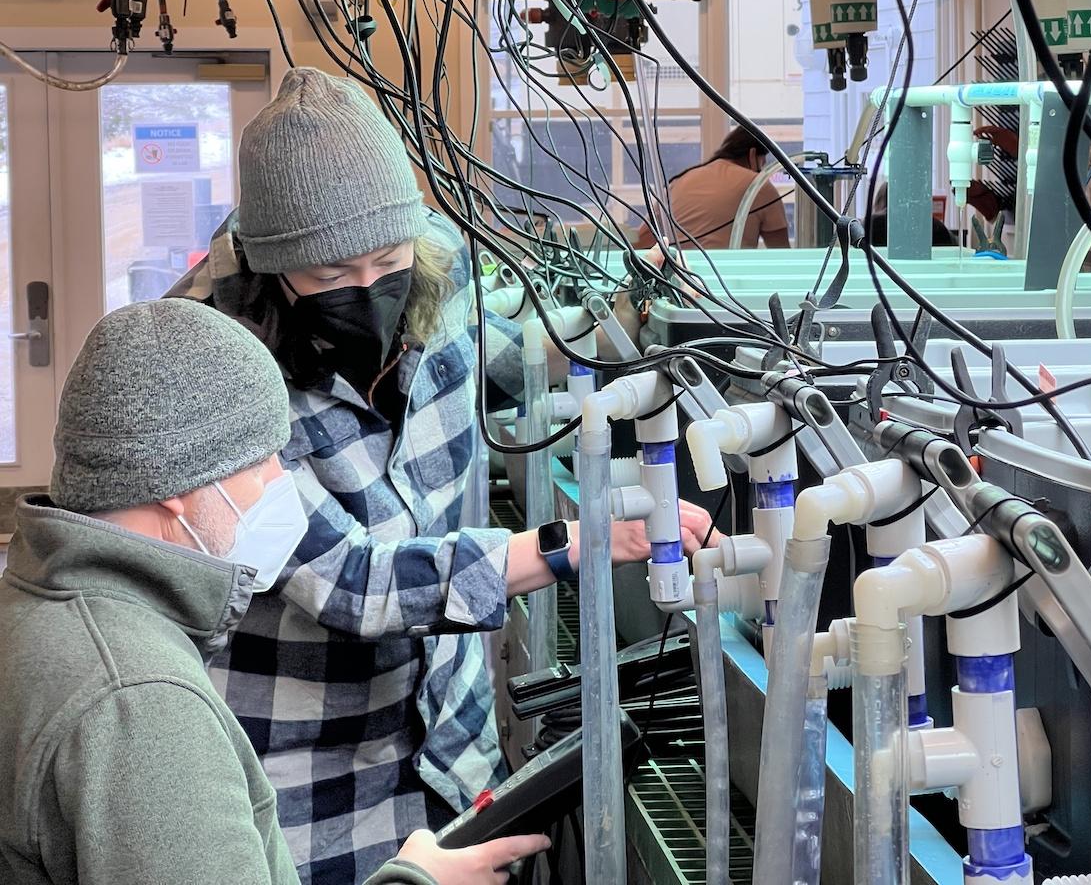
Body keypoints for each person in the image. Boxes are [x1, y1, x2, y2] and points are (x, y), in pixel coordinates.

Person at [169, 69, 713, 884]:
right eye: (329, 278)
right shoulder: (219, 369)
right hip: (311, 791)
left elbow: (505, 368)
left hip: (452, 754)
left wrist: (625, 310)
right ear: (274, 268)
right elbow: (351, 583)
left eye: (386, 261)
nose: (368, 292)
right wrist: (569, 545)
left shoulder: (438, 275)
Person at [0, 299, 550, 885]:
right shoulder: (141, 704)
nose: (280, 482)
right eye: (262, 461)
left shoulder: (38, 608)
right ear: (177, 486)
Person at [636, 126, 792, 250]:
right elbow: (781, 253)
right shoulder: (759, 186)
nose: (762, 172)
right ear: (752, 155)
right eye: (762, 164)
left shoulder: (681, 180)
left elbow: (641, 240)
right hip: (725, 279)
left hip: (679, 278)